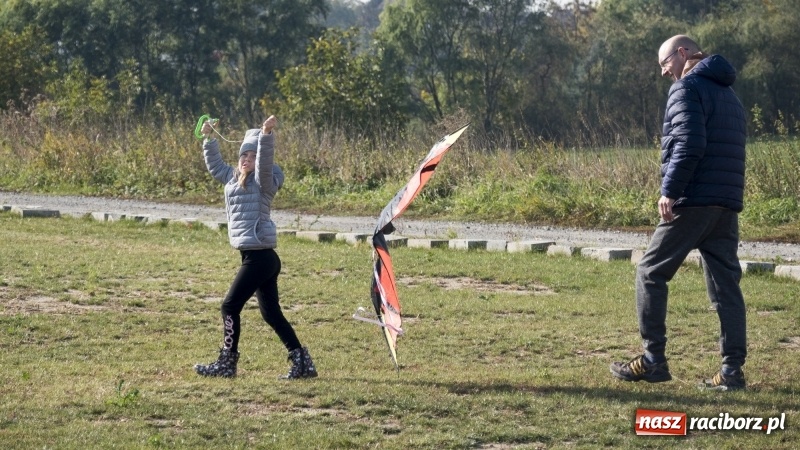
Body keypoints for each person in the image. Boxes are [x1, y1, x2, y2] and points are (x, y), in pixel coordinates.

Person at [609, 35, 747, 391]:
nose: (663, 72)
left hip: (694, 199)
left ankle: (653, 360)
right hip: (725, 204)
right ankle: (731, 370)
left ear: (683, 53)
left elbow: (689, 143)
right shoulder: (729, 95)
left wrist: (670, 190)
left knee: (650, 271)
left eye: (664, 62)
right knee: (725, 286)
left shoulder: (686, 88)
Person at [194, 116, 318, 379]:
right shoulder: (232, 178)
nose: (246, 159)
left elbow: (263, 164)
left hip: (260, 258)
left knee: (229, 306)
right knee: (271, 313)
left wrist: (265, 135)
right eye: (243, 154)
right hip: (257, 257)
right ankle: (302, 363)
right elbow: (215, 166)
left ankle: (227, 363)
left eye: (252, 155)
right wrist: (209, 138)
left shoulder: (264, 182)